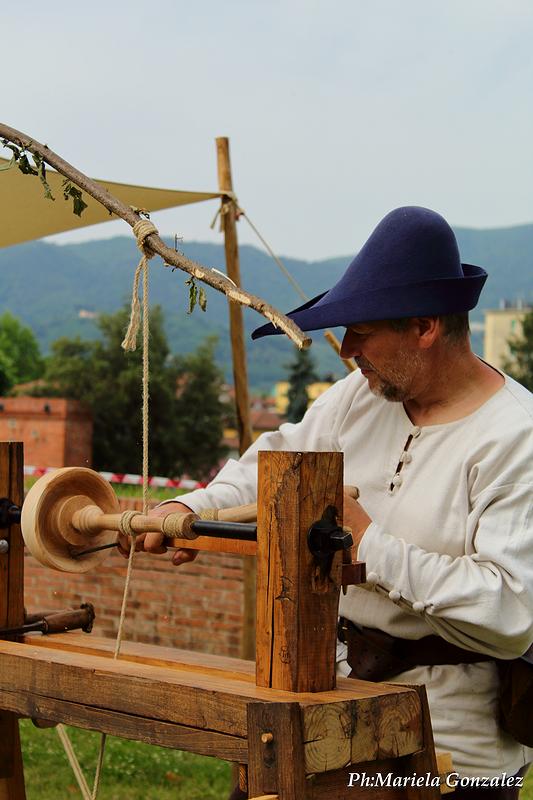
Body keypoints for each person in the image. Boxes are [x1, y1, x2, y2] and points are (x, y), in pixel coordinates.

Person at [123, 207, 533, 798]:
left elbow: (511, 613)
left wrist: (366, 543)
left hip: (451, 754)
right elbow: (273, 467)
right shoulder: (358, 398)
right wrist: (193, 509)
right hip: (333, 710)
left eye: (362, 330)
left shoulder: (516, 437)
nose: (349, 348)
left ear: (424, 327)